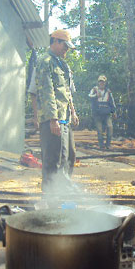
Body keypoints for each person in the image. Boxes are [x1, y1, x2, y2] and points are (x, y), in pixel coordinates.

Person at [29, 29, 78, 192]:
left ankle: (63, 192)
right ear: (55, 42)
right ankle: (50, 198)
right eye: (64, 45)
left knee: (66, 158)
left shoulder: (62, 63)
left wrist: (72, 111)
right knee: (52, 160)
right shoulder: (45, 61)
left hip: (64, 118)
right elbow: (47, 92)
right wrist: (53, 119)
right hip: (52, 120)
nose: (66, 49)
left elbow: (66, 91)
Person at [89, 75, 116, 149]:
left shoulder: (108, 91)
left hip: (106, 113)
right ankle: (101, 145)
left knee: (110, 127)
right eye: (100, 82)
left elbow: (111, 102)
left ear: (105, 83)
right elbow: (89, 97)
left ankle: (108, 144)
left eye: (103, 82)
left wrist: (114, 112)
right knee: (99, 130)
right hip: (97, 113)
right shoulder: (94, 90)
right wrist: (95, 96)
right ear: (98, 82)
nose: (101, 83)